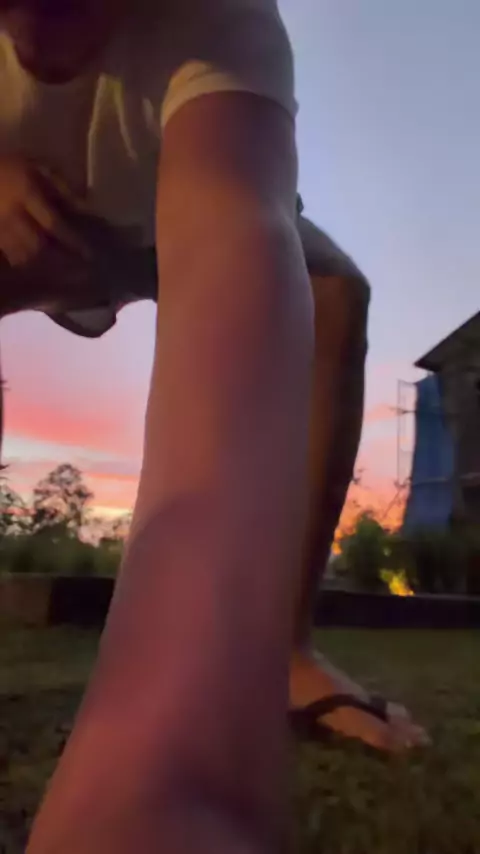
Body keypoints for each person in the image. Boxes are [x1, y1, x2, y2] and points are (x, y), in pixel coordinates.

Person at [0, 2, 427, 852]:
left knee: (332, 291)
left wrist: (178, 772)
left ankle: (279, 652)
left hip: (163, 205)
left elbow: (238, 228)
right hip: (31, 208)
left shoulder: (222, 20)